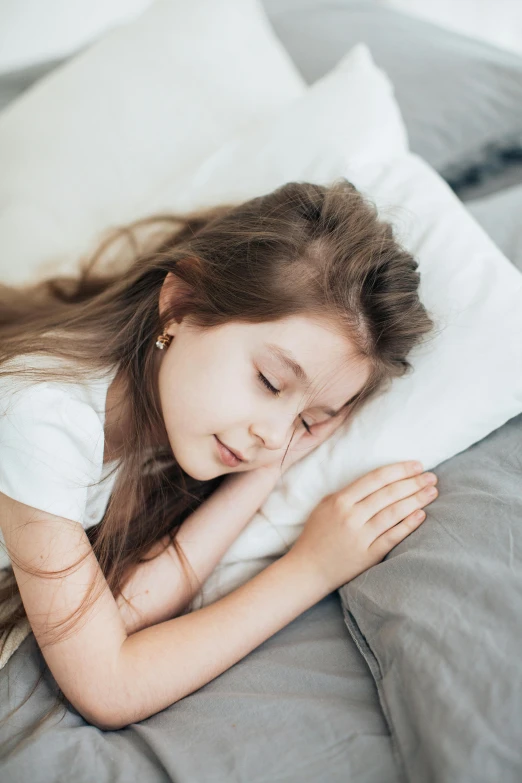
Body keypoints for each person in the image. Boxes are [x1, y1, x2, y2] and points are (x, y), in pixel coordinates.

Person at [0, 179, 437, 738]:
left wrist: (262, 478)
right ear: (181, 305)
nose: (274, 435)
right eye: (269, 381)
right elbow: (108, 684)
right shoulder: (40, 419)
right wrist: (311, 569)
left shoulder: (159, 425)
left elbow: (115, 615)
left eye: (307, 421)